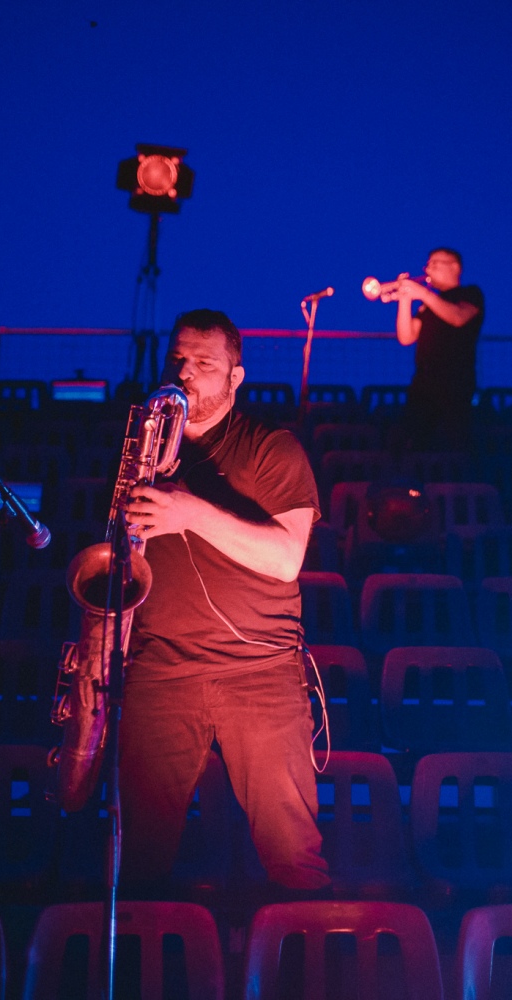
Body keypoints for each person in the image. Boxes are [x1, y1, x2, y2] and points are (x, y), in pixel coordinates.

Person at [118, 308, 330, 892]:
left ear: (236, 377)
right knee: (135, 859)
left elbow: (286, 559)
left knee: (294, 858)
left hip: (260, 672)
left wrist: (190, 512)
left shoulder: (273, 448)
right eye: (177, 360)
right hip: (160, 668)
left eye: (204, 363)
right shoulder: (142, 449)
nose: (185, 373)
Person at [380, 247, 485, 449]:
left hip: (456, 383)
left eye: (435, 264)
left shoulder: (471, 294)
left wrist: (422, 293)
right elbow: (406, 337)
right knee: (415, 443)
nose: (428, 269)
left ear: (454, 267)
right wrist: (404, 299)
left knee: (453, 445)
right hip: (423, 383)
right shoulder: (428, 305)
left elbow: (458, 318)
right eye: (427, 265)